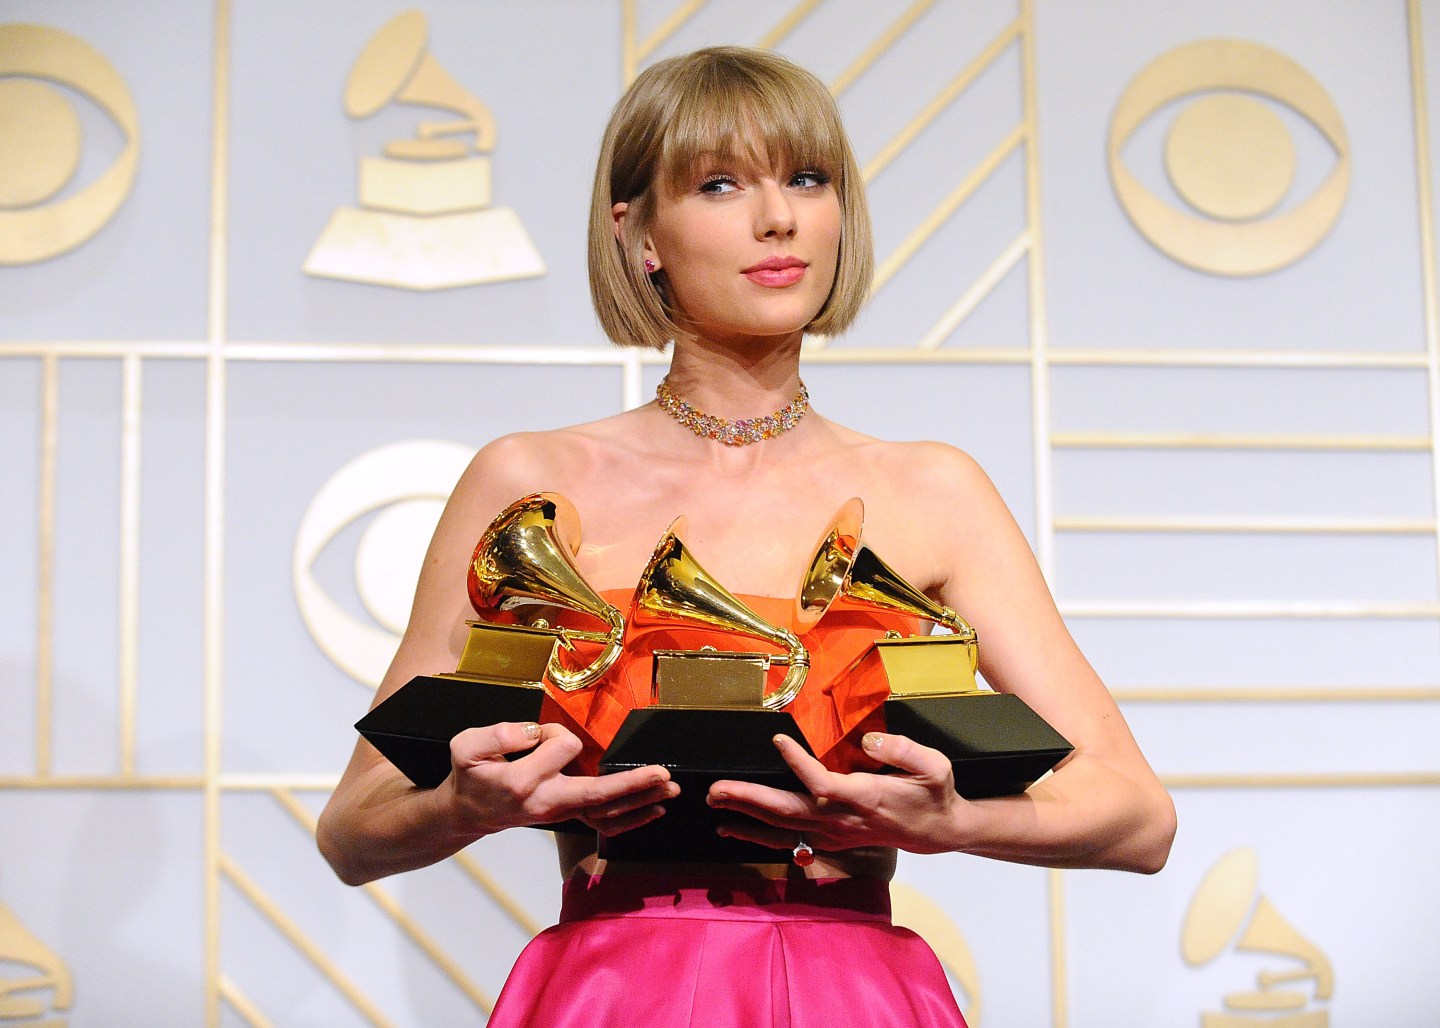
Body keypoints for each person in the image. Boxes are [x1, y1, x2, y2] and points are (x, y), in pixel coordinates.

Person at [317, 45, 1176, 1027]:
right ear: (637, 233)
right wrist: (465, 806)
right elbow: (353, 829)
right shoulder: (528, 485)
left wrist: (952, 820)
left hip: (850, 992)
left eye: (807, 179)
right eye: (720, 184)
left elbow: (1137, 815)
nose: (778, 217)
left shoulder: (932, 490)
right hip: (616, 993)